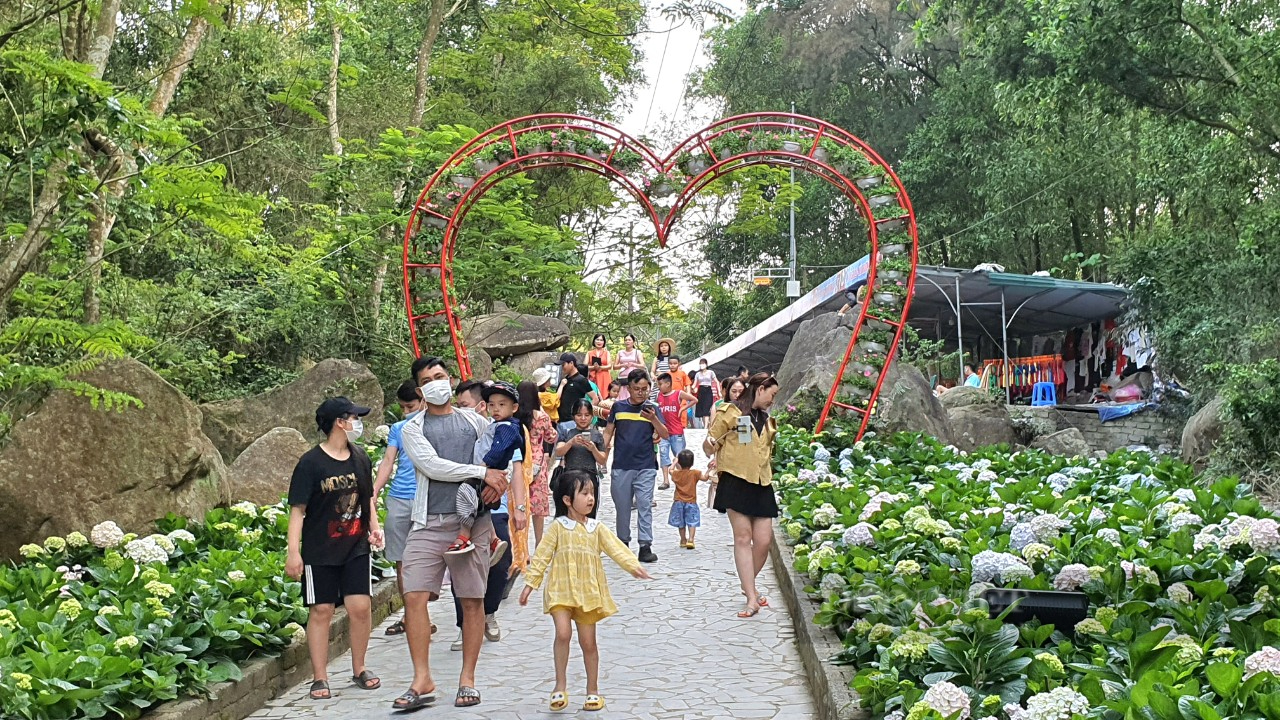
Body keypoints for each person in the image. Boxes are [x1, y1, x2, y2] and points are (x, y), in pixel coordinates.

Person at [394, 357, 518, 710]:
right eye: (428, 379)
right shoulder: (412, 428)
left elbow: (500, 452)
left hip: (472, 522)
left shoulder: (474, 420)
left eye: (440, 376)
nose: (436, 382)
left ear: (450, 380)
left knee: (471, 599)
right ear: (420, 390)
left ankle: (468, 679)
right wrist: (481, 472)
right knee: (414, 596)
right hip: (427, 520)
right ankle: (422, 679)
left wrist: (498, 482)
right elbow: (432, 466)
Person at [518, 470, 651, 713]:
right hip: (560, 590)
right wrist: (530, 585)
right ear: (568, 500)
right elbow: (542, 556)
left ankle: (593, 690)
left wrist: (633, 566)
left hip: (588, 593)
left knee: (588, 643)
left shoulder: (596, 528)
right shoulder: (558, 527)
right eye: (584, 493)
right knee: (563, 633)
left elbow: (615, 548)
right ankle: (560, 685)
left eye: (592, 493)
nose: (590, 498)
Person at [285, 396, 382, 700]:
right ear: (340, 422)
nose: (358, 423)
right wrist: (293, 551)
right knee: (322, 610)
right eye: (354, 417)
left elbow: (367, 500)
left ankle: (359, 668)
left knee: (360, 607)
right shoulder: (310, 463)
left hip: (355, 546)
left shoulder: (361, 458)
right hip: (320, 549)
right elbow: (298, 511)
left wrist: (375, 529)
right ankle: (319, 677)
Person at [704, 373, 781, 619]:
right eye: (772, 394)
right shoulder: (731, 412)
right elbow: (709, 445)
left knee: (763, 540)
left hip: (762, 482)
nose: (773, 399)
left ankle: (747, 584)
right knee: (743, 537)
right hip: (735, 481)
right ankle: (751, 596)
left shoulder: (768, 421)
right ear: (760, 389)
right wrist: (713, 442)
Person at [450, 381, 512, 651]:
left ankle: (489, 613)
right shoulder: (461, 433)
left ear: (480, 406)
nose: (460, 411)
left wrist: (519, 506)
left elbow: (516, 468)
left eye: (464, 406)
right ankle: (464, 625)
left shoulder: (501, 429)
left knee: (499, 564)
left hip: (498, 505)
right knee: (461, 565)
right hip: (465, 505)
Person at [444, 380, 522, 558]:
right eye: (492, 404)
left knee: (465, 494)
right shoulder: (495, 424)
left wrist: (483, 467)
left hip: (486, 472)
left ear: (514, 407)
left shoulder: (506, 427)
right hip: (485, 474)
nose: (496, 409)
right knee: (480, 506)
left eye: (502, 405)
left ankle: (464, 534)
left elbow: (499, 449)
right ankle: (493, 540)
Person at [372, 381, 423, 637]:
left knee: (425, 561)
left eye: (410, 406)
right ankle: (409, 615)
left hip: (429, 500)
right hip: (399, 497)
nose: (406, 412)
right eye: (402, 407)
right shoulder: (398, 428)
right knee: (402, 561)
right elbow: (387, 461)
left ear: (423, 401)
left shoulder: (433, 425)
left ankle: (422, 614)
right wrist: (375, 491)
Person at [603, 369, 668, 563]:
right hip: (621, 465)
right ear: (628, 389)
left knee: (644, 505)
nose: (641, 392)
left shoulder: (653, 409)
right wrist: (601, 454)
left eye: (644, 389)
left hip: (646, 465)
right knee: (622, 507)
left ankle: (645, 545)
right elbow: (608, 432)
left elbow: (665, 434)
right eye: (636, 389)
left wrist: (653, 419)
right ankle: (623, 543)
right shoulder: (618, 408)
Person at [520, 380, 558, 548]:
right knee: (538, 505)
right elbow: (552, 436)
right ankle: (539, 543)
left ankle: (521, 546)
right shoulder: (541, 417)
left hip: (518, 460)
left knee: (520, 503)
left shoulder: (515, 416)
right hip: (537, 461)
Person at [555, 399, 607, 515]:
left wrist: (593, 449)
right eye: (579, 415)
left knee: (589, 512)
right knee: (568, 513)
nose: (583, 418)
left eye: (587, 415)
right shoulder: (567, 432)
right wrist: (571, 443)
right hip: (570, 477)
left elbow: (602, 459)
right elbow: (558, 451)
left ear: (592, 416)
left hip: (590, 477)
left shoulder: (597, 435)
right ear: (573, 416)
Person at [704, 376, 745, 510]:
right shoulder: (723, 410)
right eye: (734, 391)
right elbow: (714, 438)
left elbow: (747, 440)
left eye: (741, 391)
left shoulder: (749, 412)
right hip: (727, 462)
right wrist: (712, 452)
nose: (737, 395)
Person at [655, 372, 696, 491]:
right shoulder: (659, 396)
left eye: (661, 384)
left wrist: (683, 408)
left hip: (676, 431)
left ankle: (682, 477)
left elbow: (694, 399)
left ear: (668, 384)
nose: (659, 386)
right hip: (664, 432)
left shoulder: (678, 393)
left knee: (679, 456)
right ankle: (666, 480)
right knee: (663, 455)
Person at [668, 450, 705, 549]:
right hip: (691, 502)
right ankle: (691, 539)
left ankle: (683, 539)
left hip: (678, 501)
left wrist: (674, 462)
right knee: (692, 521)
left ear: (679, 462)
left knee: (681, 522)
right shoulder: (695, 473)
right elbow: (705, 478)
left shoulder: (676, 474)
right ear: (692, 463)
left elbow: (670, 470)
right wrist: (710, 470)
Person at [556, 352, 594, 434]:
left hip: (572, 421)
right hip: (560, 421)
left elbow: (595, 398)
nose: (562, 367)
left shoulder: (581, 380)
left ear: (571, 363)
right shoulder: (564, 380)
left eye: (564, 365)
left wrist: (584, 416)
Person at [691, 359, 719, 430]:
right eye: (700, 363)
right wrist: (691, 388)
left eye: (703, 363)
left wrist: (719, 392)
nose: (702, 365)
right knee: (702, 410)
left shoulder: (711, 372)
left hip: (708, 390)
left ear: (706, 364)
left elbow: (716, 381)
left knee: (706, 409)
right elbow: (694, 384)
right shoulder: (697, 374)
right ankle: (706, 425)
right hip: (701, 390)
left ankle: (706, 426)